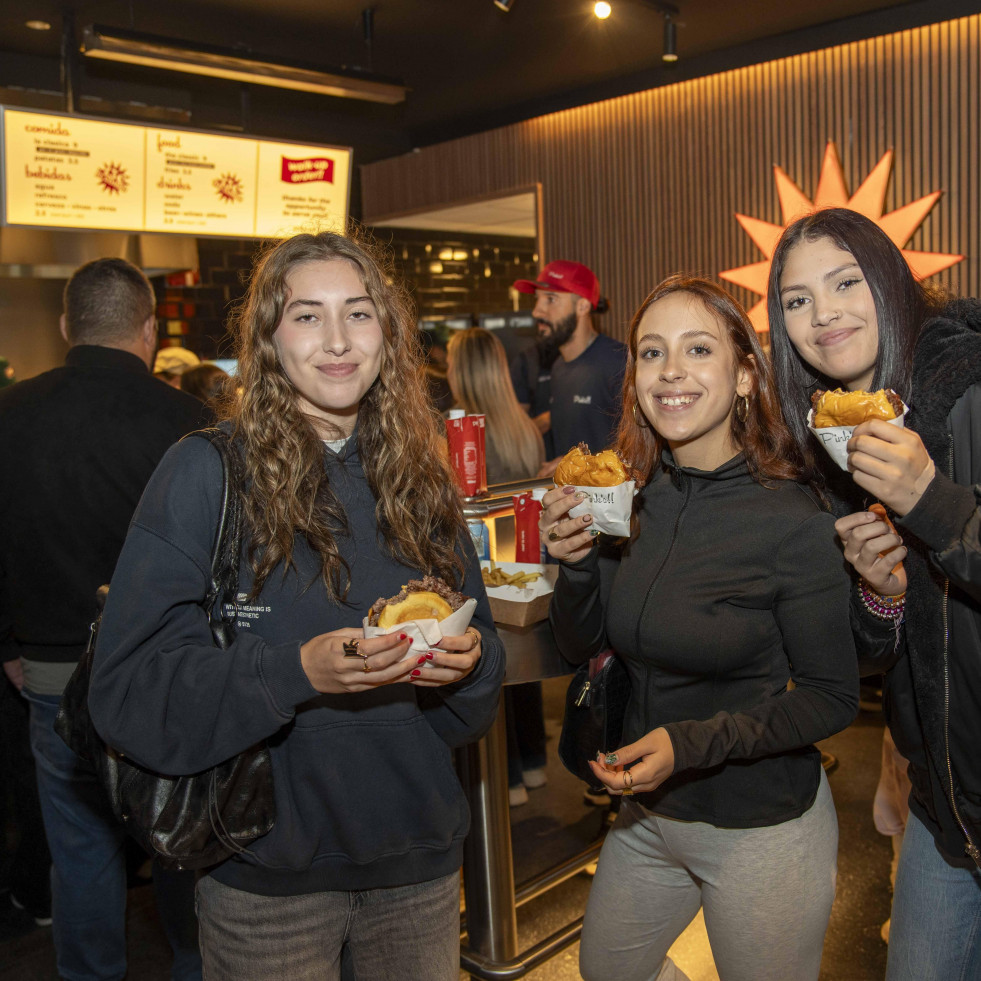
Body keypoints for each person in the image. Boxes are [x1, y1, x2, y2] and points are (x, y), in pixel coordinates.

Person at [87, 231, 505, 981]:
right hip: (265, 882)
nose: (338, 340)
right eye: (308, 316)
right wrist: (293, 673)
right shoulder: (206, 473)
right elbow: (124, 693)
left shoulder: (422, 479)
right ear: (269, 338)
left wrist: (465, 665)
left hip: (418, 870)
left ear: (389, 332)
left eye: (359, 313)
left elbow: (470, 709)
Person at [540, 275, 859, 981]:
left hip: (760, 829)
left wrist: (686, 744)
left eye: (696, 350)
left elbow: (831, 697)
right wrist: (577, 562)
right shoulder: (629, 495)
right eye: (651, 353)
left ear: (745, 374)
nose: (671, 372)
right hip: (647, 815)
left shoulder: (793, 520)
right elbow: (578, 646)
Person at [766, 206, 981, 980]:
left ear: (888, 279)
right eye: (796, 300)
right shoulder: (842, 434)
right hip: (941, 799)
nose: (822, 315)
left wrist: (932, 501)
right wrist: (882, 591)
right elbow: (880, 646)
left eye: (844, 282)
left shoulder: (965, 387)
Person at [0, 257, 208, 980]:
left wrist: (7, 645)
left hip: (52, 668)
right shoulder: (191, 421)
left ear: (66, 327)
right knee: (182, 838)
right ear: (149, 329)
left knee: (80, 847)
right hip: (169, 671)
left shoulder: (10, 414)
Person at [445, 327, 546, 806]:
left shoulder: (457, 430)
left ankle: (504, 780)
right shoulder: (523, 424)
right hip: (526, 566)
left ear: (460, 368)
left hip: (482, 570)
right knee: (520, 668)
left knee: (485, 671)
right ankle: (533, 765)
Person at [513, 260, 626, 476]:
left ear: (582, 306)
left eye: (551, 299)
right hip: (571, 504)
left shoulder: (619, 362)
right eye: (537, 300)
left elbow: (643, 445)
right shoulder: (558, 367)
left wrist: (581, 465)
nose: (537, 312)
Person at [446, 327, 545, 482]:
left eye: (449, 364)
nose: (448, 372)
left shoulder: (454, 426)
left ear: (460, 371)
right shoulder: (527, 428)